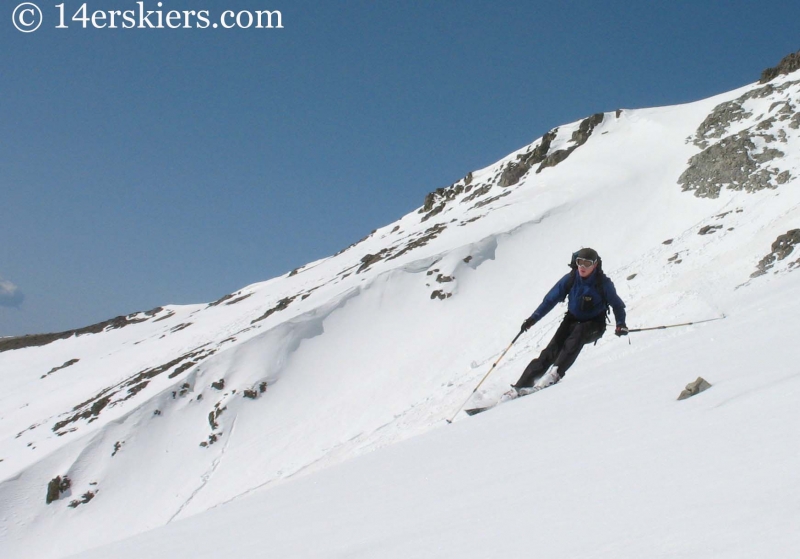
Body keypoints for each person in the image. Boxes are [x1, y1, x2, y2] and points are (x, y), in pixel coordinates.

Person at [502, 247, 628, 401]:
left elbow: (617, 305)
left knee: (577, 335)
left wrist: (620, 323)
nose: (582, 267)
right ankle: (519, 388)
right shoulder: (571, 279)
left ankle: (555, 374)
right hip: (572, 320)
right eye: (579, 262)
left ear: (595, 265)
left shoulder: (603, 283)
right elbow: (550, 300)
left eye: (587, 263)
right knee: (550, 352)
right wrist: (533, 319)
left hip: (594, 325)